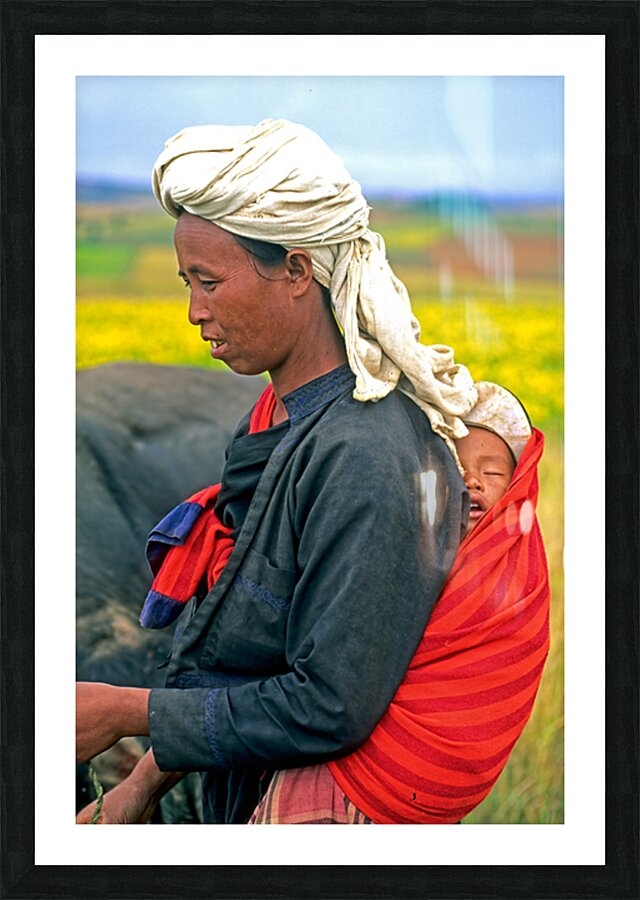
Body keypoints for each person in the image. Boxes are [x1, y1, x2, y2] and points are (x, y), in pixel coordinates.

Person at [76, 119, 477, 824]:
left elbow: (330, 706)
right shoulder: (278, 421)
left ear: (297, 270)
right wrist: (135, 792)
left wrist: (125, 710)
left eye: (210, 282)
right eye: (186, 283)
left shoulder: (365, 451)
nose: (195, 312)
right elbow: (239, 659)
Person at [247, 382, 551, 824]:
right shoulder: (412, 543)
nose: (473, 480)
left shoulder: (520, 580)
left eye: (493, 472)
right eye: (459, 467)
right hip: (342, 765)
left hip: (416, 784)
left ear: (516, 490)